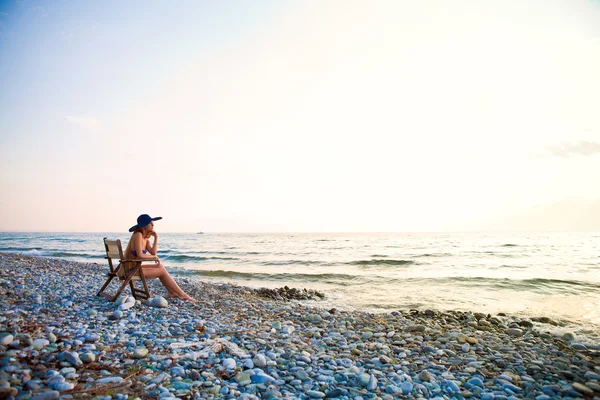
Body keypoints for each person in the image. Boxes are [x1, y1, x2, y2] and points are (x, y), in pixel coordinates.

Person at [123, 214, 195, 302]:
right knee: (162, 271)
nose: (153, 225)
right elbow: (140, 256)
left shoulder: (145, 239)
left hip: (135, 268)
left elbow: (153, 252)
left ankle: (172, 292)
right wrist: (154, 257)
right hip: (131, 270)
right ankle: (182, 294)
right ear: (144, 225)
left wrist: (156, 238)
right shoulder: (138, 235)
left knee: (161, 267)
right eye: (150, 223)